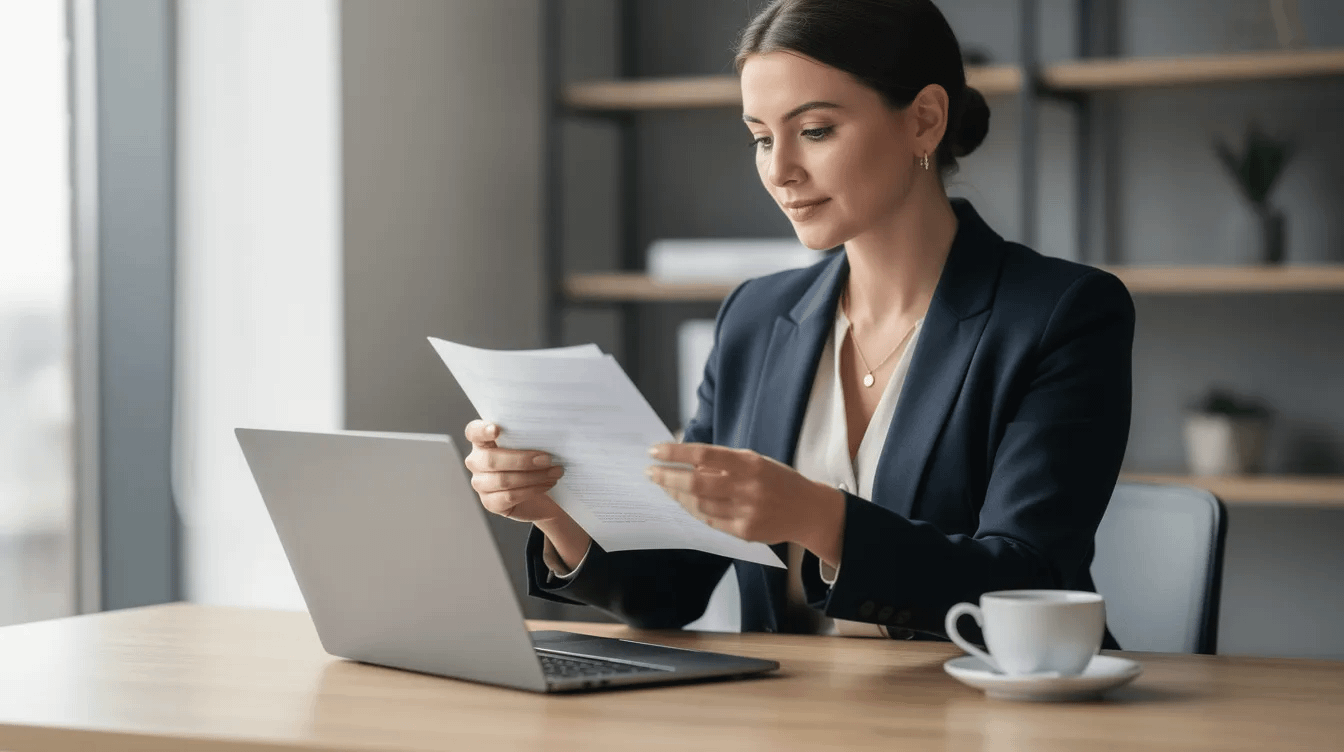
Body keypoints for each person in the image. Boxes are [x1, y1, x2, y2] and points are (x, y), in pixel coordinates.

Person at [465, 0, 1132, 643]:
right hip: (794, 715)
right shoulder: (755, 317)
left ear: (924, 121)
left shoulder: (1060, 314)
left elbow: (1030, 578)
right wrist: (558, 512)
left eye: (814, 131)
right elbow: (669, 588)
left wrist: (820, 518)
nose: (779, 170)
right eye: (760, 138)